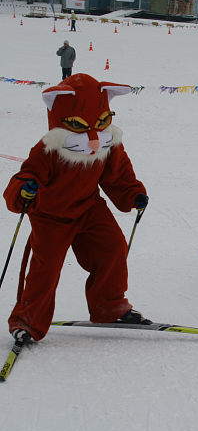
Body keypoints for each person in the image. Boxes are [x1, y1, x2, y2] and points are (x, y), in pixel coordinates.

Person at [4, 73, 151, 345]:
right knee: (45, 270)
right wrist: (24, 190)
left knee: (113, 248)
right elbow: (26, 176)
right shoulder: (49, 149)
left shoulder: (107, 144)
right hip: (51, 216)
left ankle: (110, 307)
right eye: (79, 125)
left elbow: (117, 175)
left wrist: (133, 193)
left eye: (102, 122)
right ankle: (27, 321)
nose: (94, 135)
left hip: (89, 208)